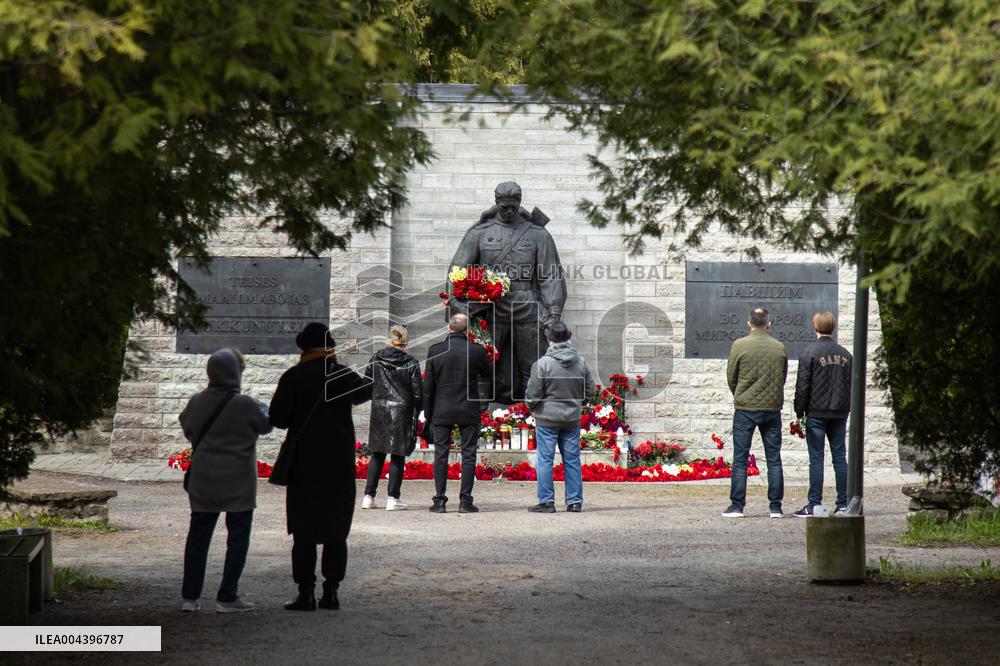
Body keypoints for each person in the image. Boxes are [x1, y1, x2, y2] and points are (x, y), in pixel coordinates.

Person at [269, 322, 372, 611]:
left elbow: (278, 418)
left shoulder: (293, 376)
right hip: (337, 462)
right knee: (336, 530)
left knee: (303, 531)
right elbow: (365, 392)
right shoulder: (339, 374)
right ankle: (331, 591)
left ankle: (305, 592)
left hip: (304, 462)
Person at [448, 181, 567, 402]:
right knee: (484, 365)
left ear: (520, 202)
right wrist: (457, 303)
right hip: (490, 310)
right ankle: (481, 418)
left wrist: (553, 313)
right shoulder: (479, 233)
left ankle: (531, 417)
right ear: (497, 203)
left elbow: (550, 275)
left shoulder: (537, 234)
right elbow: (457, 269)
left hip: (527, 308)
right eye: (505, 207)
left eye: (514, 206)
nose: (510, 211)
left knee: (534, 365)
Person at [178, 348, 272, 613]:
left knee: (198, 537)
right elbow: (266, 426)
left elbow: (188, 428)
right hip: (238, 480)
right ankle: (227, 596)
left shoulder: (196, 401)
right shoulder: (245, 404)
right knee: (238, 537)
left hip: (204, 478)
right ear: (236, 373)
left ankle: (190, 597)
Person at [723, 307, 788, 519]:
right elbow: (782, 377)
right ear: (768, 324)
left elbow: (731, 376)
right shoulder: (779, 347)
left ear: (749, 324)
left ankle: (737, 506)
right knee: (774, 459)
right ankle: (775, 507)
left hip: (745, 409)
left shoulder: (739, 345)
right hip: (771, 409)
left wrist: (740, 394)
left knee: (740, 458)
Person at [524, 321, 596, 513]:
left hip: (547, 418)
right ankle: (574, 501)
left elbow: (533, 394)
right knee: (572, 460)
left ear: (549, 340)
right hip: (571, 418)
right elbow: (590, 390)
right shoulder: (581, 362)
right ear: (568, 338)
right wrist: (580, 402)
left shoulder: (543, 364)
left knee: (545, 460)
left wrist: (531, 406)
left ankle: (547, 501)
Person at [423, 313, 490, 513]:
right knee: (468, 454)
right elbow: (489, 376)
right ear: (467, 330)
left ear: (449, 328)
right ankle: (465, 501)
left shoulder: (436, 350)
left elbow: (428, 386)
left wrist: (428, 414)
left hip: (442, 408)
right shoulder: (476, 350)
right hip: (468, 408)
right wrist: (482, 401)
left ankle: (440, 501)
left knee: (441, 455)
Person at [793, 312, 853, 517]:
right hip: (839, 412)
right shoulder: (846, 354)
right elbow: (850, 384)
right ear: (833, 327)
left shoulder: (810, 352)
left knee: (817, 459)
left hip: (817, 413)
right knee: (840, 457)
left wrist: (799, 411)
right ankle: (843, 503)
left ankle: (814, 504)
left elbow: (803, 385)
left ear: (815, 326)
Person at [362, 325, 422, 511]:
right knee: (398, 454)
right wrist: (418, 411)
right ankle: (392, 498)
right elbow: (418, 393)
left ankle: (368, 496)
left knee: (377, 453)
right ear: (406, 341)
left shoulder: (376, 359)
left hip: (380, 408)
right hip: (402, 410)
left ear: (389, 339)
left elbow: (366, 384)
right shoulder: (411, 362)